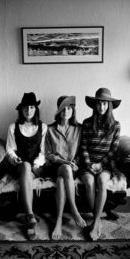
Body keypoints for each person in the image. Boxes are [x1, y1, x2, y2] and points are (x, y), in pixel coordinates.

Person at [3, 92, 47, 237]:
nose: (29, 111)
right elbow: (10, 148)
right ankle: (30, 214)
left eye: (32, 108)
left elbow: (43, 151)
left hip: (37, 167)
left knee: (29, 167)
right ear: (21, 110)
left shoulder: (43, 127)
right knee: (25, 167)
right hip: (19, 165)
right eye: (26, 108)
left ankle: (29, 217)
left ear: (36, 109)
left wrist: (37, 163)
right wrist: (14, 158)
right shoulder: (13, 127)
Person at [80, 88, 121, 241]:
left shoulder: (116, 125)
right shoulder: (87, 123)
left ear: (109, 105)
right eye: (99, 104)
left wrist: (101, 164)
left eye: (104, 104)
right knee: (90, 183)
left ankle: (96, 222)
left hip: (105, 164)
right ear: (94, 105)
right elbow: (83, 146)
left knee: (102, 182)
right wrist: (90, 164)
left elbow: (114, 150)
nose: (101, 107)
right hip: (88, 163)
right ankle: (97, 218)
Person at [45, 95, 87, 240]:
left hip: (73, 169)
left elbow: (83, 151)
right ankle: (74, 210)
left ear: (73, 110)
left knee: (62, 181)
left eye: (69, 108)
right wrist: (64, 162)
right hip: (54, 167)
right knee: (65, 169)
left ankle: (58, 222)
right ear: (58, 110)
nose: (66, 111)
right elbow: (48, 154)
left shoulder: (79, 129)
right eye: (63, 108)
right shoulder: (49, 129)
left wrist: (75, 162)